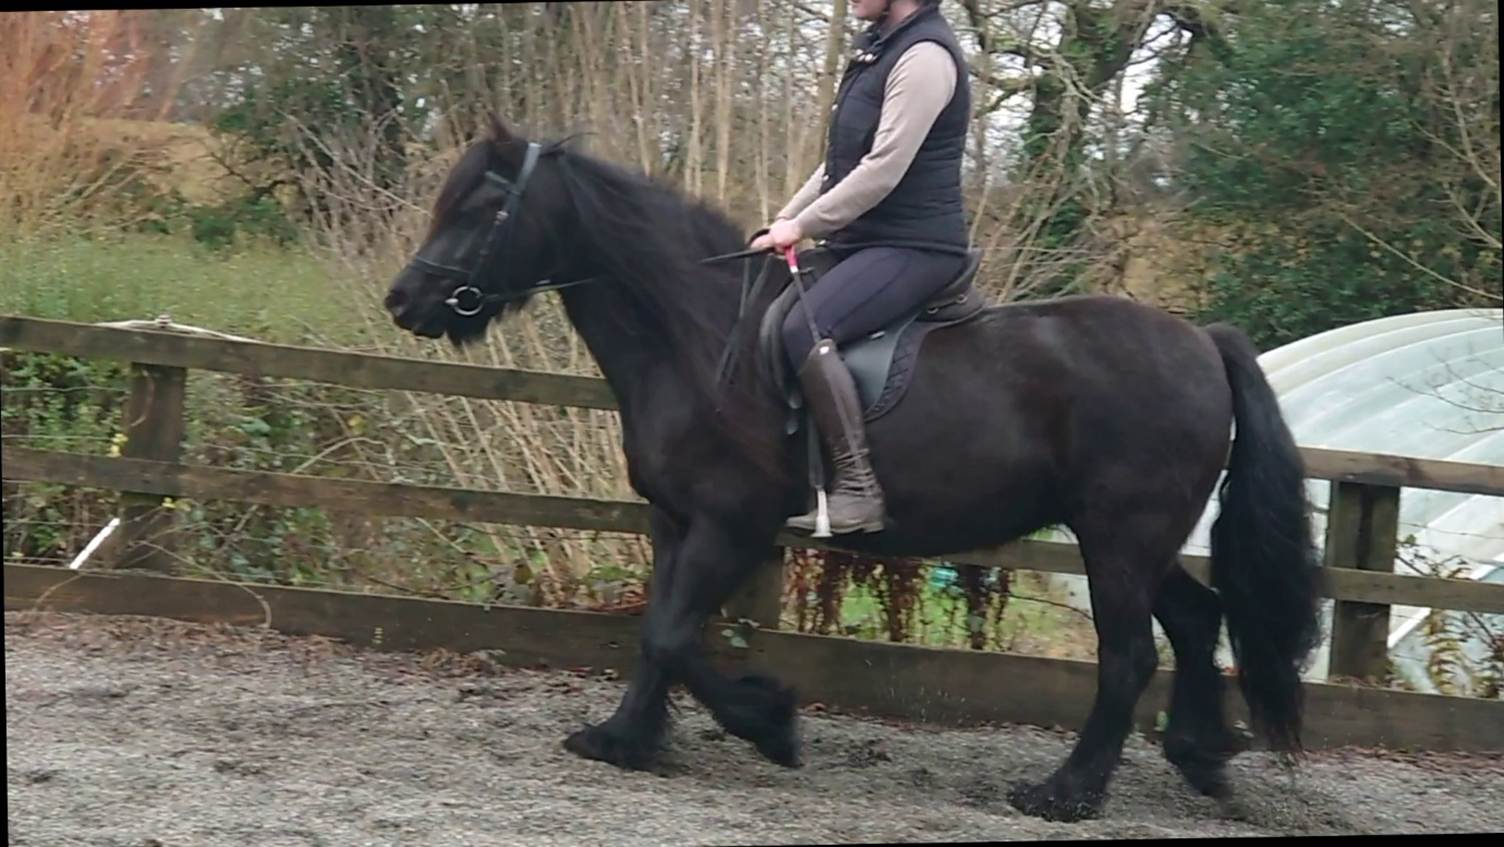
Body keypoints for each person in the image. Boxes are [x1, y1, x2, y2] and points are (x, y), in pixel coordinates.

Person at [751, 0, 972, 535]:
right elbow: (840, 164)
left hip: (916, 247)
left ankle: (859, 490)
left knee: (809, 325)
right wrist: (785, 217)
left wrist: (803, 228)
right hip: (867, 241)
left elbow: (881, 170)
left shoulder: (924, 58)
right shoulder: (878, 51)